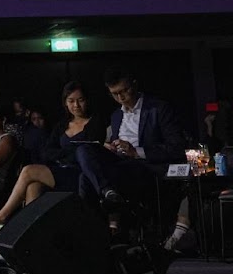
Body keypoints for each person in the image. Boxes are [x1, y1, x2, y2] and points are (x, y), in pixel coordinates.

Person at [0, 82, 103, 226]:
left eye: (80, 100)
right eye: (71, 101)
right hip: (60, 169)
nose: (76, 105)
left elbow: (89, 151)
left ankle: (2, 216)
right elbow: (47, 152)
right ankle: (30, 228)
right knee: (33, 186)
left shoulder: (95, 123)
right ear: (65, 103)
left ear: (87, 100)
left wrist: (64, 153)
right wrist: (69, 151)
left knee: (28, 171)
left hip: (81, 174)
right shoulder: (62, 125)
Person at [75, 72, 189, 215]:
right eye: (115, 94)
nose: (120, 97)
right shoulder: (116, 115)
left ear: (134, 85)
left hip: (144, 166)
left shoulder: (158, 109)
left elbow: (177, 147)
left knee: (85, 178)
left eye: (124, 91)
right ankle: (106, 194)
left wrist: (136, 152)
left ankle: (107, 203)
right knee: (83, 149)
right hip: (120, 162)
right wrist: (110, 147)